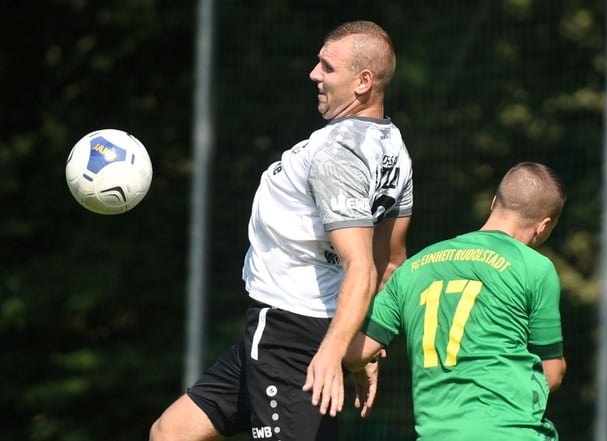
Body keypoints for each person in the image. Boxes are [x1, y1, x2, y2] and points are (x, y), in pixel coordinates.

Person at [150, 20, 413, 441]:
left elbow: (365, 265)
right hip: (294, 332)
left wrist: (334, 352)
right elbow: (393, 263)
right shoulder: (394, 149)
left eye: (327, 67)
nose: (314, 74)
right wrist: (359, 346)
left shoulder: (336, 153)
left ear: (363, 82)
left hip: (290, 337)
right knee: (171, 431)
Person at [344, 162, 567, 441]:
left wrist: (362, 363)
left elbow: (353, 352)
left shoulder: (414, 267)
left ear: (494, 202)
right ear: (544, 226)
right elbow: (552, 374)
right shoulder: (535, 267)